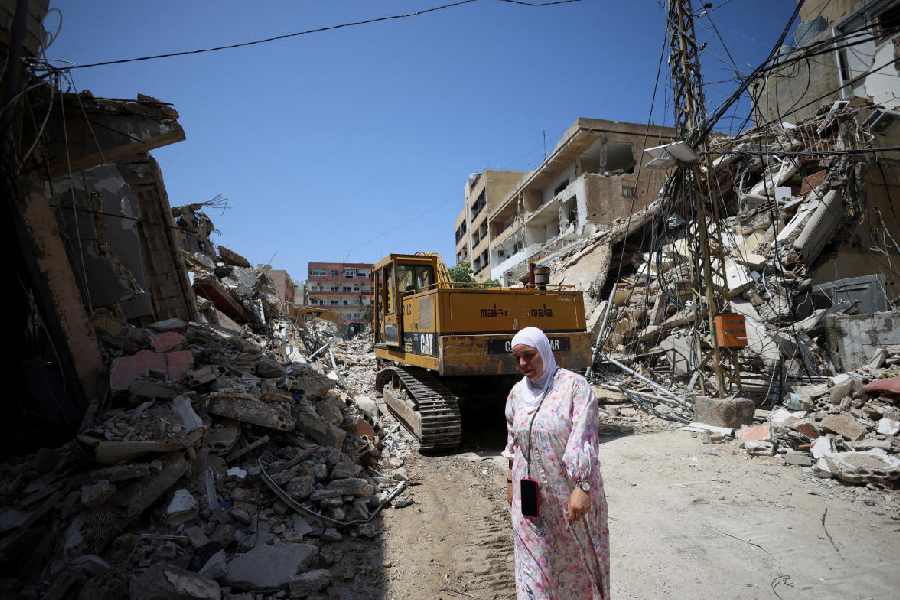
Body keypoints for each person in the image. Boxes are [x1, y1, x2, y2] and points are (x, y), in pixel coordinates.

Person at [503, 326, 610, 599]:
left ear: (545, 351)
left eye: (529, 355)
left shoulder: (574, 387)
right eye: (518, 358)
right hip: (530, 502)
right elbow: (513, 440)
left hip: (568, 500)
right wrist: (509, 479)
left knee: (574, 567)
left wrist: (582, 487)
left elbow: (584, 436)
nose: (523, 364)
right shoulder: (516, 394)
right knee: (534, 569)